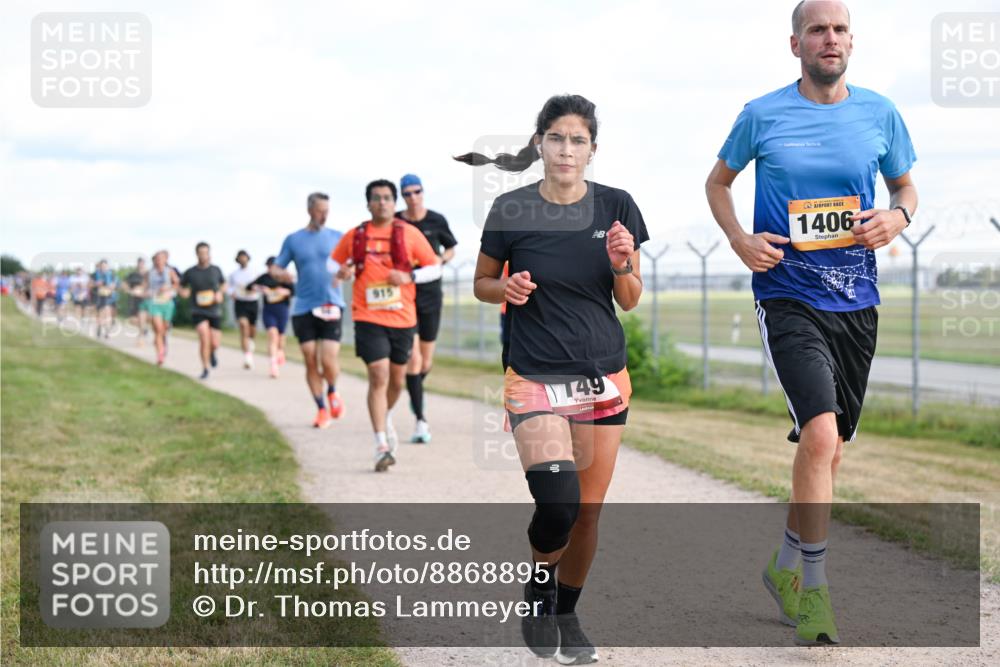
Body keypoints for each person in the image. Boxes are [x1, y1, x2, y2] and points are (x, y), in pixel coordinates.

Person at [705, 0, 918, 646]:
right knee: (820, 435)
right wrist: (740, 239)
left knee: (830, 448)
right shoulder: (762, 114)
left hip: (856, 300)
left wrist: (897, 217)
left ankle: (784, 565)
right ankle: (816, 592)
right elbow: (718, 183)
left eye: (840, 29)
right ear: (795, 43)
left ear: (852, 41)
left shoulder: (880, 113)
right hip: (787, 293)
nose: (831, 38)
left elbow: (905, 188)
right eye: (818, 29)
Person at [458, 93, 648, 664]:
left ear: (593, 149)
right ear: (539, 143)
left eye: (578, 140)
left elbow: (630, 298)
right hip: (536, 376)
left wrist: (621, 262)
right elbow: (482, 283)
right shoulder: (511, 209)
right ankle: (540, 586)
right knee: (559, 501)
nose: (567, 149)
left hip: (602, 378)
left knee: (587, 513)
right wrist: (506, 288)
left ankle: (567, 613)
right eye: (557, 138)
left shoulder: (617, 206)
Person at [331, 179, 439, 472]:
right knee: (378, 374)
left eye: (387, 198)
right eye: (376, 198)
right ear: (368, 204)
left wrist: (409, 277)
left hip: (402, 317)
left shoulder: (409, 233)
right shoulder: (356, 235)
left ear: (394, 203)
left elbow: (434, 267)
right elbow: (333, 263)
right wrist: (342, 271)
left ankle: (385, 415)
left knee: (397, 381)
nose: (382, 203)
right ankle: (380, 444)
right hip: (368, 315)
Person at [271, 192, 347, 428]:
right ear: (309, 210)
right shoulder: (294, 239)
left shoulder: (338, 237)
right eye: (320, 211)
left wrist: (346, 273)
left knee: (328, 358)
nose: (324, 215)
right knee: (310, 359)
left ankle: (332, 390)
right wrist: (280, 274)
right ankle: (321, 409)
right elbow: (276, 267)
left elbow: (351, 265)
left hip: (331, 304)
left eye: (327, 211)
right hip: (304, 306)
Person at [396, 173, 458, 444]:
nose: (413, 197)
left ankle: (415, 390)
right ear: (402, 196)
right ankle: (421, 420)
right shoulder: (396, 222)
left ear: (423, 192)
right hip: (405, 294)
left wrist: (440, 260)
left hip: (431, 293)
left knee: (426, 360)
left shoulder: (436, 220)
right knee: (414, 359)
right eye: (407, 193)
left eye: (416, 191)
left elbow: (451, 247)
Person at [179, 242, 226, 380]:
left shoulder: (216, 270)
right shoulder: (190, 272)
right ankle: (205, 368)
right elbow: (181, 286)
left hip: (214, 310)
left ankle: (212, 352)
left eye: (206, 253)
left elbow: (223, 284)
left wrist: (220, 293)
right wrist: (183, 292)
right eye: (201, 253)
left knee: (215, 343)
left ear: (209, 254)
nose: (203, 255)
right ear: (197, 254)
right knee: (204, 338)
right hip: (197, 310)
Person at [250, 256, 295, 378]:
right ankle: (273, 366)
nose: (270, 269)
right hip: (268, 310)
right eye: (269, 266)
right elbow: (250, 286)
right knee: (272, 335)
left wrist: (284, 291)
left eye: (273, 266)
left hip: (282, 309)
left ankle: (280, 351)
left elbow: (293, 291)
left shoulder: (286, 277)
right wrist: (261, 289)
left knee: (280, 338)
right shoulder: (264, 277)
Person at [142, 250, 180, 366]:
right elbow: (144, 286)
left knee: (164, 329)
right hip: (154, 303)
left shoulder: (170, 271)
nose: (159, 261)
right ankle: (160, 355)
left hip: (167, 303)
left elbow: (176, 283)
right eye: (157, 259)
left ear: (165, 260)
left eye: (161, 259)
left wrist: (168, 288)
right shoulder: (150, 273)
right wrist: (144, 292)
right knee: (158, 329)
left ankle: (163, 341)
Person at [229, 250, 261, 370]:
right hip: (240, 302)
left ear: (248, 258)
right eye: (240, 257)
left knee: (252, 329)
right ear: (237, 259)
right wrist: (232, 293)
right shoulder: (234, 274)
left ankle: (251, 341)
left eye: (244, 257)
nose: (243, 259)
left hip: (252, 302)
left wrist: (254, 289)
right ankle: (248, 358)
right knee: (243, 326)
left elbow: (261, 286)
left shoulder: (255, 272)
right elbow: (229, 287)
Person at [125, 257, 149, 346]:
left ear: (144, 264)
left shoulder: (148, 274)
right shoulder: (133, 274)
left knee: (142, 318)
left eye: (142, 263)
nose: (140, 265)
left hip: (144, 299)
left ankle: (140, 339)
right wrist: (129, 290)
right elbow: (124, 283)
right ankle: (144, 328)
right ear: (137, 264)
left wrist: (144, 290)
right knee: (132, 320)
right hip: (133, 299)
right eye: (139, 263)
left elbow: (151, 285)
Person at [92, 259, 118, 338]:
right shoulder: (95, 274)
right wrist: (96, 284)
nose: (103, 267)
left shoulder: (111, 274)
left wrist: (111, 286)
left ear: (107, 266)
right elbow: (89, 284)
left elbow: (115, 284)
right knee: (100, 314)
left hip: (108, 296)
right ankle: (99, 326)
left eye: (105, 266)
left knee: (107, 313)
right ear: (99, 266)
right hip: (98, 296)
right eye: (102, 266)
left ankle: (107, 332)